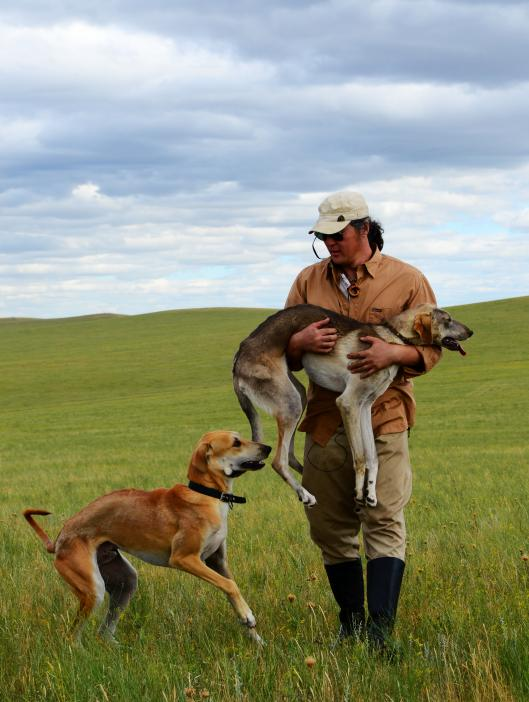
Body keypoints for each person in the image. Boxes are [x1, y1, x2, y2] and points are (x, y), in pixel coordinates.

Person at [284, 191, 441, 652]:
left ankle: (380, 633)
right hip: (324, 421)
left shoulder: (407, 280)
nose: (329, 242)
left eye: (338, 233)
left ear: (364, 230)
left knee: (383, 518)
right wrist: (299, 341)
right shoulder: (307, 281)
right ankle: (351, 623)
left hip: (385, 419)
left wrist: (397, 352)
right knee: (329, 526)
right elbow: (283, 348)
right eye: (323, 235)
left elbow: (432, 348)